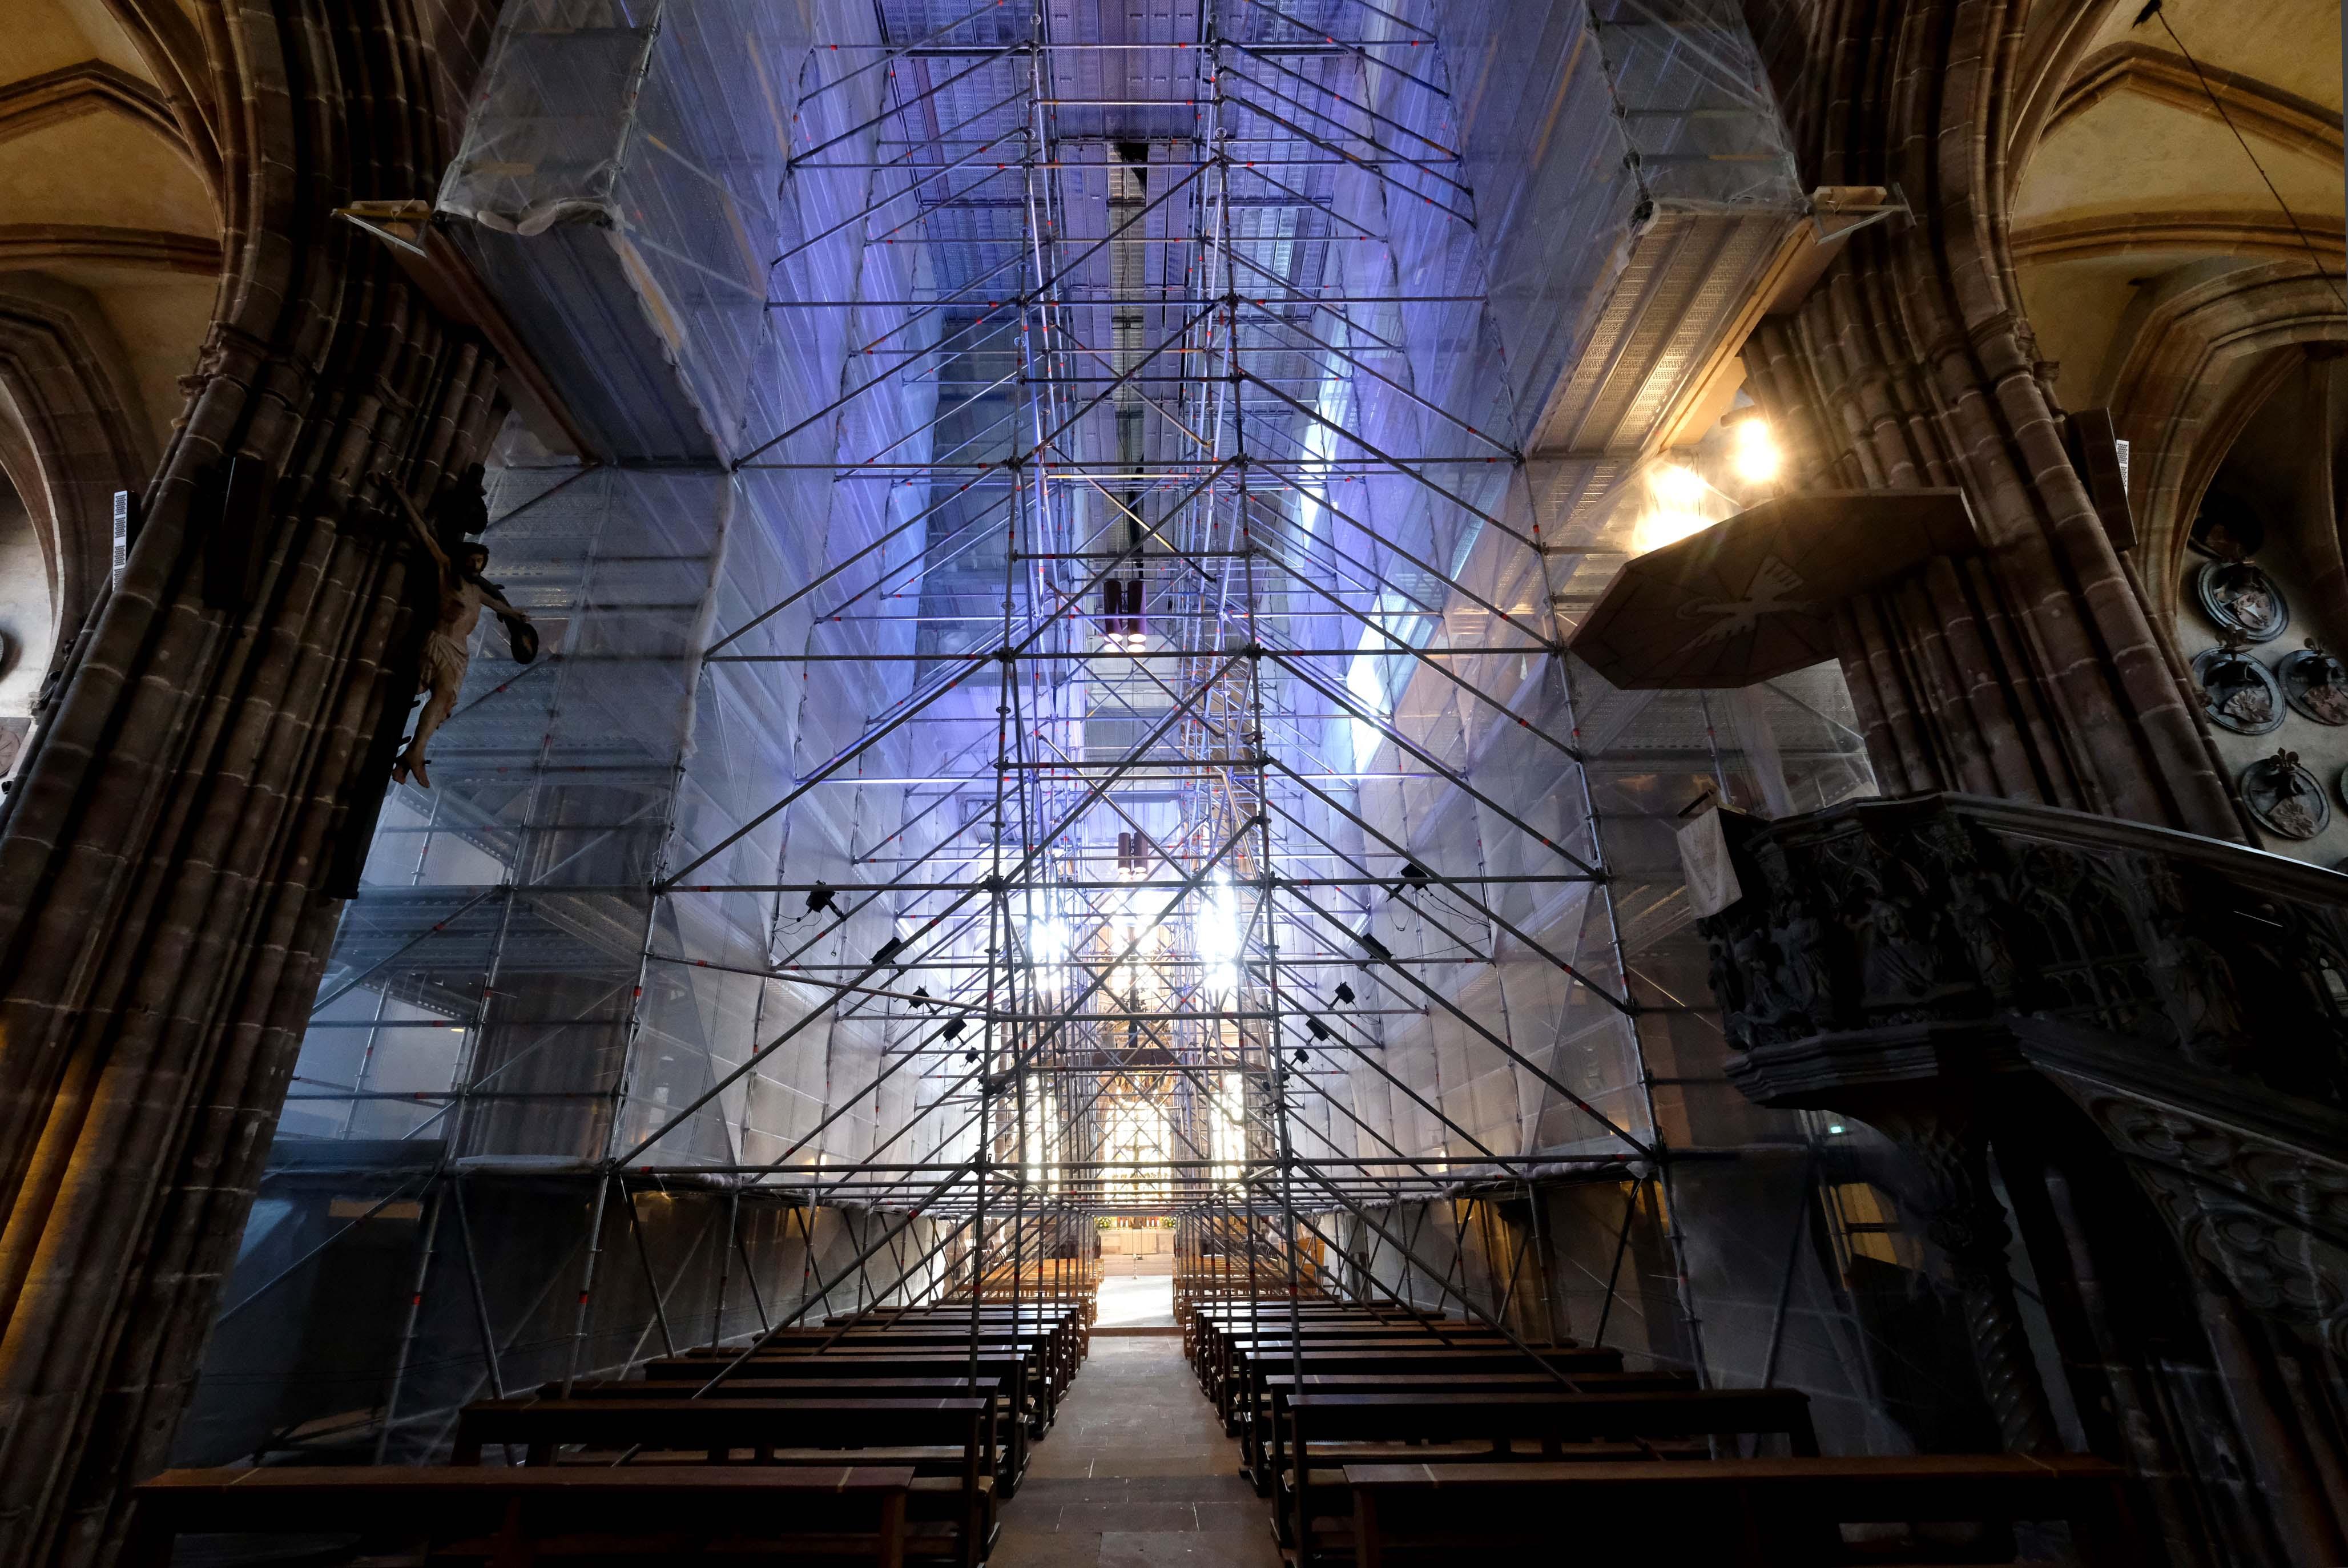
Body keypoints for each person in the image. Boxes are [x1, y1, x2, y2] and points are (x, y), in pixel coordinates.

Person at [374, 471, 531, 788]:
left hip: (460, 654)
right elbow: (424, 533)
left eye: (481, 562)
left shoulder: (477, 591)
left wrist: (517, 615)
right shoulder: (447, 572)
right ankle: (415, 754)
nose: (476, 566)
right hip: (441, 643)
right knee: (443, 695)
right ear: (463, 560)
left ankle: (407, 762)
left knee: (445, 703)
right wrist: (401, 495)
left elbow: (498, 605)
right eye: (472, 560)